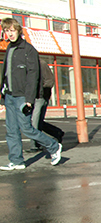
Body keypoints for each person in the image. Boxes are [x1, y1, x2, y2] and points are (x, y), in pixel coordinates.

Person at [0, 18, 62, 171]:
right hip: (9, 96)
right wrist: (3, 95)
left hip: (22, 97)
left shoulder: (29, 50)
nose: (10, 34)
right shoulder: (9, 49)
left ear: (18, 30)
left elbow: (33, 77)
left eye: (12, 30)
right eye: (7, 31)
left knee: (27, 129)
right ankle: (17, 161)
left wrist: (29, 99)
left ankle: (54, 146)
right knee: (11, 130)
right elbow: (6, 74)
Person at [29, 58, 64, 152]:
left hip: (40, 96)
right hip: (30, 97)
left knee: (35, 121)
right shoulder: (26, 65)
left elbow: (50, 80)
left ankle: (35, 145)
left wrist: (41, 91)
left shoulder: (41, 63)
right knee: (34, 121)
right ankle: (56, 132)